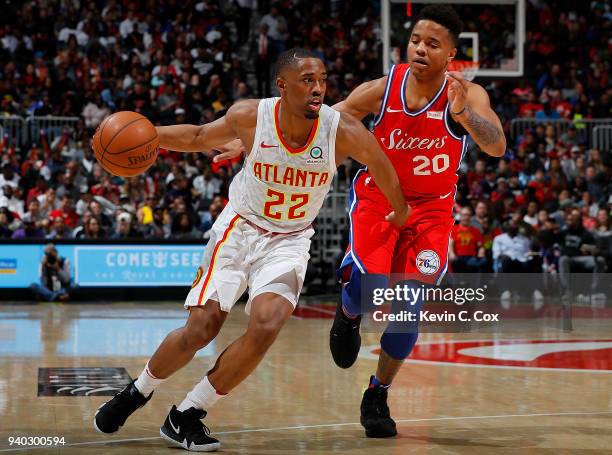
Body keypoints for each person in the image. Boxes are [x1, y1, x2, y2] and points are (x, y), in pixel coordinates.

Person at [93, 48, 410, 452]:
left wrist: (400, 210)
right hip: (240, 230)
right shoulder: (250, 116)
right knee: (201, 328)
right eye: (307, 80)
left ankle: (187, 415)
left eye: (323, 80)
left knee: (267, 324)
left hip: (290, 239)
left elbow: (380, 163)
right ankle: (137, 391)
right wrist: (149, 135)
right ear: (282, 86)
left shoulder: (341, 130)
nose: (318, 89)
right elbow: (196, 136)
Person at [327, 5, 505, 438]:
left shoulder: (466, 94)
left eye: (433, 44)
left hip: (431, 210)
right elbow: (331, 117)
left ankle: (378, 391)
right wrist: (261, 134)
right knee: (371, 289)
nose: (421, 49)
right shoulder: (384, 88)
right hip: (379, 199)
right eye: (416, 40)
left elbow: (497, 145)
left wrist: (464, 115)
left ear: (451, 54)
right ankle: (349, 312)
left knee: (407, 311)